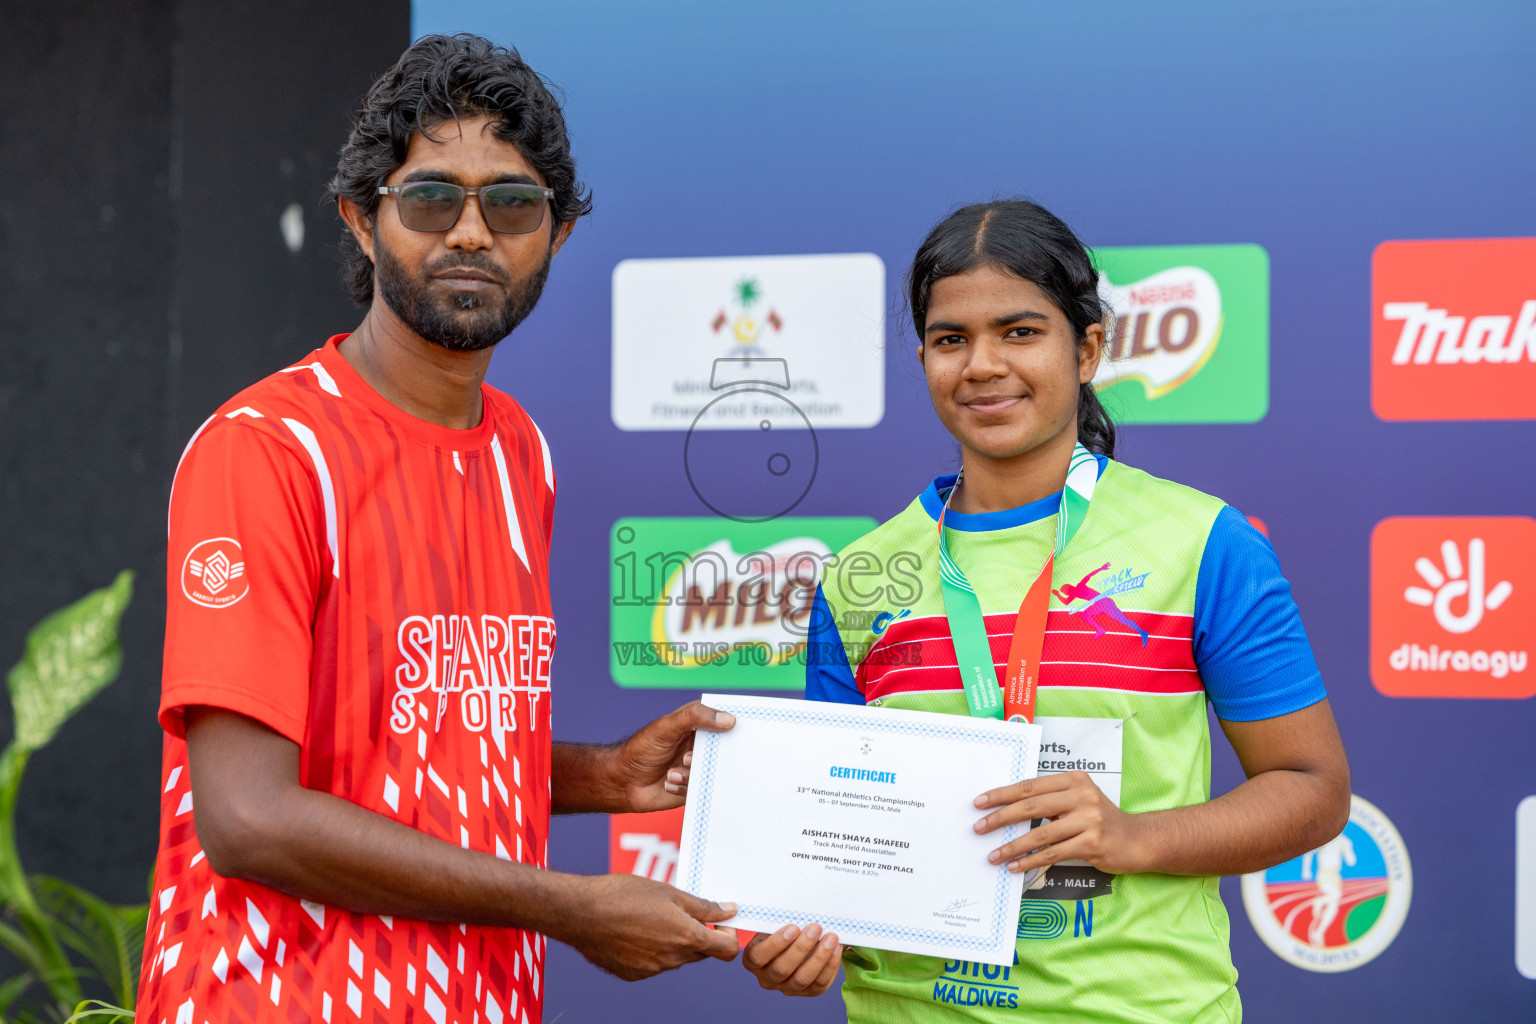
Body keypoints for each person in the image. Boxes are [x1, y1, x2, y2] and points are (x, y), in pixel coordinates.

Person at [136, 35, 738, 1024]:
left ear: (557, 235)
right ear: (362, 223)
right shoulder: (268, 450)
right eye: (429, 199)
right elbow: (247, 815)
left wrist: (606, 775)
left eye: (511, 203)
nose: (471, 232)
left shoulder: (520, 452)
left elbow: (412, 737)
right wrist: (574, 906)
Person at [741, 200, 1350, 1020]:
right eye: (951, 339)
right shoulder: (859, 578)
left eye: (1020, 331)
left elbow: (1312, 789)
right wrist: (808, 940)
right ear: (923, 357)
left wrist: (1134, 837)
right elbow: (848, 844)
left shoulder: (1207, 543)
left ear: (1089, 347)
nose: (982, 364)